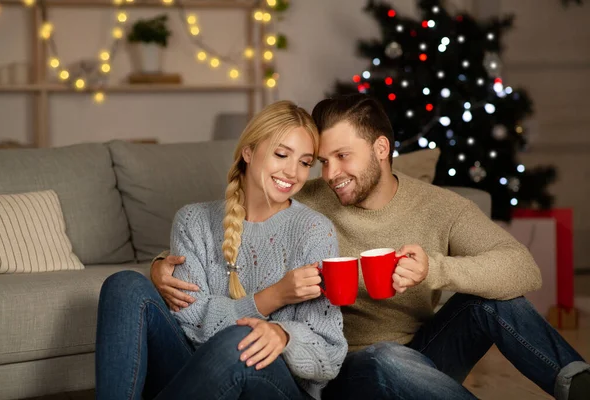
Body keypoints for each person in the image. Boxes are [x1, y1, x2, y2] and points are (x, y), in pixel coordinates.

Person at [152, 94, 590, 400]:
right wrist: (160, 266)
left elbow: (523, 269)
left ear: (381, 148)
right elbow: (237, 215)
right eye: (322, 161)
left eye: (343, 156)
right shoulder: (305, 195)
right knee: (386, 359)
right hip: (343, 368)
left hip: (424, 353)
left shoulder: (441, 207)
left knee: (489, 303)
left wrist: (437, 270)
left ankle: (577, 383)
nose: (329, 172)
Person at [95, 100, 347, 400]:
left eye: (305, 163)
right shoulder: (193, 221)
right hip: (197, 376)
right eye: (282, 154)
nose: (293, 172)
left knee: (242, 340)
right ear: (248, 151)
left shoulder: (315, 231)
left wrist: (284, 335)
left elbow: (330, 353)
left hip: (275, 386)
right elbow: (191, 324)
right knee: (123, 285)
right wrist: (272, 297)